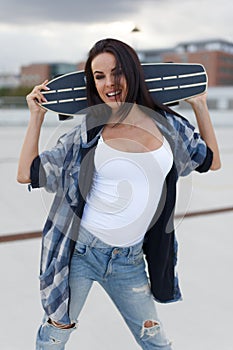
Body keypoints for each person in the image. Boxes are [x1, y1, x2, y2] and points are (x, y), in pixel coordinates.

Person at [17, 38, 221, 350]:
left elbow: (210, 160)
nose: (109, 83)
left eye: (117, 73)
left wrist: (200, 105)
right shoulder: (86, 134)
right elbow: (27, 173)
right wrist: (37, 117)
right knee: (56, 336)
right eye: (99, 76)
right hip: (82, 254)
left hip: (129, 261)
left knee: (157, 343)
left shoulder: (168, 126)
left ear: (134, 72)